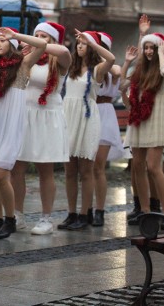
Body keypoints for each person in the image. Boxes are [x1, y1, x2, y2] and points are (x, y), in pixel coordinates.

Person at [0, 27, 47, 239]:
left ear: (12, 45)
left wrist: (15, 35)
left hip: (11, 122)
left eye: (3, 40)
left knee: (1, 173)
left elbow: (42, 45)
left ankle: (10, 218)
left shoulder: (23, 64)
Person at [12, 21, 71, 236]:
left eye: (43, 36)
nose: (38, 39)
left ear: (53, 40)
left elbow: (64, 50)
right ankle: (17, 214)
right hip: (24, 114)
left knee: (44, 169)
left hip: (47, 116)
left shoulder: (60, 60)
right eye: (35, 35)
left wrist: (26, 38)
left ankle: (46, 217)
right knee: (16, 166)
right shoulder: (28, 58)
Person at [58, 30, 114, 231]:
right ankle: (71, 213)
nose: (80, 46)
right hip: (69, 117)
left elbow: (112, 58)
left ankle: (85, 213)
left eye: (84, 44)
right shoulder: (71, 67)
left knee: (86, 170)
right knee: (69, 171)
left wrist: (93, 42)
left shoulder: (97, 69)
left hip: (87, 118)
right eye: (79, 43)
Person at [123, 14, 164, 230]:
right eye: (147, 48)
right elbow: (123, 82)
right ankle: (145, 211)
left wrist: (162, 52)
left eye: (153, 48)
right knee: (137, 166)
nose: (149, 51)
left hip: (156, 120)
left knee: (154, 167)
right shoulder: (139, 71)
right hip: (138, 121)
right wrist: (141, 38)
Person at [91, 31, 125, 227]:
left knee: (98, 166)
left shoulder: (112, 66)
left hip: (104, 113)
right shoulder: (90, 66)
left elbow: (117, 72)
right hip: (90, 111)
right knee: (86, 167)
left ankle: (100, 209)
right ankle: (85, 209)